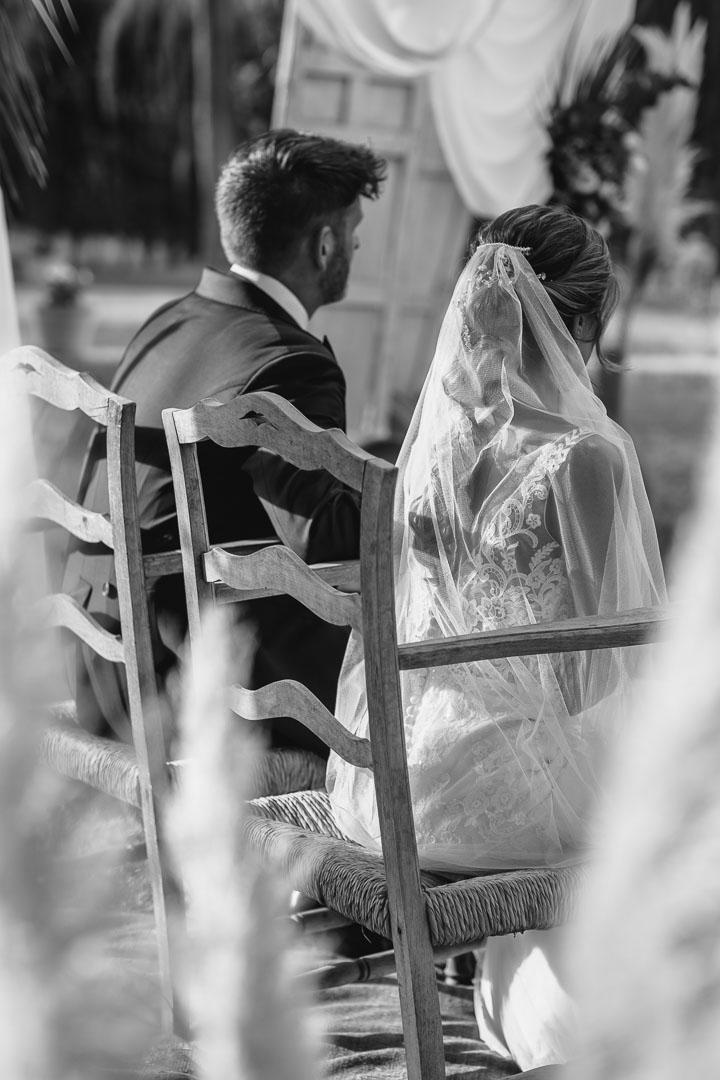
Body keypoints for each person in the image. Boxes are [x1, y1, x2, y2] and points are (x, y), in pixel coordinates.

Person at [326, 205, 667, 1067]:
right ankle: (569, 1028)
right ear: (579, 323)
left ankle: (511, 1002)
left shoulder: (437, 442)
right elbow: (586, 685)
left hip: (399, 774)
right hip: (503, 800)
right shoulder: (588, 456)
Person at [63, 129, 386, 752]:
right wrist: (407, 480)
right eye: (353, 231)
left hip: (98, 664)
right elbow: (328, 538)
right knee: (420, 680)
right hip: (182, 699)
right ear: (324, 245)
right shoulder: (290, 362)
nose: (355, 245)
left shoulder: (169, 321)